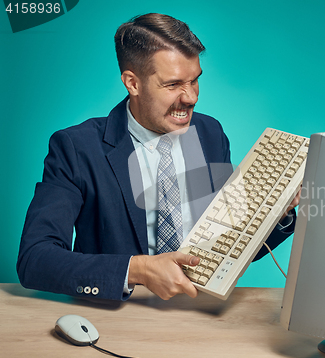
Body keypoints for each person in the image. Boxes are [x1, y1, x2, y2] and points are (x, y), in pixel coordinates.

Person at [17, 13, 298, 301]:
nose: (191, 98)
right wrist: (137, 270)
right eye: (173, 84)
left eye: (195, 81)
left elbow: (226, 247)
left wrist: (279, 210)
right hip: (120, 317)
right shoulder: (76, 148)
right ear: (133, 83)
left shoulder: (209, 133)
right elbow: (35, 259)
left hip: (202, 311)